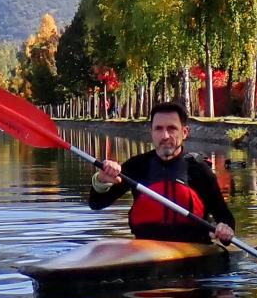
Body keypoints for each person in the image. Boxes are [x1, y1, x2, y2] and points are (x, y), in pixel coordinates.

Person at [89, 101, 236, 245]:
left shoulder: (199, 169)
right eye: (158, 129)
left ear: (184, 132)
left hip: (193, 253)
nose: (165, 136)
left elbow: (224, 216)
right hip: (145, 250)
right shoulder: (137, 165)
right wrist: (102, 180)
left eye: (172, 128)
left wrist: (225, 228)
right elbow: (96, 204)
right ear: (151, 132)